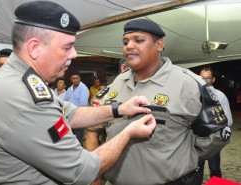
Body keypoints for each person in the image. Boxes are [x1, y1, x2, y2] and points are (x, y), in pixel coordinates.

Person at [0, 2, 157, 185]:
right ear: (34, 48)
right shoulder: (23, 95)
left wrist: (120, 109)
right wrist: (128, 133)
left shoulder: (22, 78)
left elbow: (72, 113)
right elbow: (82, 171)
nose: (74, 54)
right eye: (67, 47)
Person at [103, 18, 231, 185]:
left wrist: (186, 157)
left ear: (159, 45)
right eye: (125, 42)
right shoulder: (118, 83)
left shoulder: (189, 84)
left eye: (139, 40)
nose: (129, 46)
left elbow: (217, 135)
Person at [86, 59, 129, 185]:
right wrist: (95, 178)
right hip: (116, 171)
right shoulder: (105, 96)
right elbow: (91, 134)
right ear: (124, 68)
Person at [198, 67, 233, 181]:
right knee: (197, 169)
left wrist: (220, 138)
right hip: (197, 139)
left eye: (207, 78)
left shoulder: (220, 96)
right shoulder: (193, 94)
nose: (204, 80)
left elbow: (228, 120)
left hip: (213, 139)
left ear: (213, 79)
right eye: (201, 77)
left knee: (214, 168)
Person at [64, 71, 89, 146]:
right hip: (68, 118)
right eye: (73, 78)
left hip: (79, 117)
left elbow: (83, 105)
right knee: (69, 139)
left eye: (77, 78)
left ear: (80, 78)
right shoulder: (69, 89)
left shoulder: (84, 88)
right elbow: (65, 103)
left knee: (78, 140)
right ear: (70, 79)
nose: (75, 80)